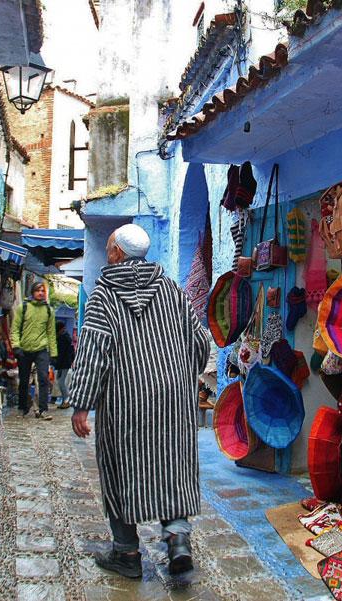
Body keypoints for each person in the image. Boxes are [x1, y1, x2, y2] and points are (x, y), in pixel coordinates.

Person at [67, 223, 211, 578]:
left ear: (116, 252)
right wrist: (179, 375)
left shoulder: (104, 294)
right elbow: (199, 341)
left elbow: (94, 350)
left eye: (110, 247)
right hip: (174, 399)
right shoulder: (172, 290)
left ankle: (126, 553)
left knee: (120, 469)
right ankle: (178, 540)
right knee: (172, 466)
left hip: (124, 400)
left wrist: (82, 403)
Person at [10, 281, 58, 420]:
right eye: (38, 290)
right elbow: (15, 329)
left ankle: (43, 409)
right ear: (33, 292)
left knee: (43, 379)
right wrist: (16, 346)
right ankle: (23, 407)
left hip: (41, 349)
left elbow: (51, 333)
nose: (41, 293)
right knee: (24, 380)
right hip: (24, 349)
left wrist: (53, 353)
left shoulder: (49, 311)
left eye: (43, 291)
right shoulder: (23, 308)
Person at [53, 321, 75, 408]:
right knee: (60, 381)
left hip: (63, 363)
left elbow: (61, 353)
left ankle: (66, 400)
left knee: (61, 381)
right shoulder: (66, 337)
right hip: (65, 363)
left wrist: (57, 363)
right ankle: (65, 400)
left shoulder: (62, 338)